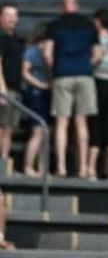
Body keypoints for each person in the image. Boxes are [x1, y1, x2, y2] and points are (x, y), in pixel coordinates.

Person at [44, 0, 101, 178]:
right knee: (82, 123)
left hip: (63, 75)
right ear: (77, 5)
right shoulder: (89, 25)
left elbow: (47, 54)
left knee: (61, 122)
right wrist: (87, 65)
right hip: (84, 75)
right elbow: (98, 54)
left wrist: (56, 69)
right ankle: (83, 168)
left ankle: (61, 167)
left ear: (62, 6)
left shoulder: (54, 26)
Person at [87, 8, 108, 181]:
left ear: (98, 22)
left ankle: (91, 169)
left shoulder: (96, 40)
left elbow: (96, 59)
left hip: (99, 82)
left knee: (95, 125)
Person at [22, 22, 51, 177]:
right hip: (34, 94)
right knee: (37, 130)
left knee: (46, 132)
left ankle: (42, 167)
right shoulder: (33, 50)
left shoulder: (52, 51)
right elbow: (25, 72)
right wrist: (40, 84)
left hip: (47, 95)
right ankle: (28, 166)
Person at [0, 2, 25, 163]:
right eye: (8, 15)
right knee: (1, 128)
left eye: (14, 15)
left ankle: (4, 160)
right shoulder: (1, 38)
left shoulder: (15, 39)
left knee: (8, 128)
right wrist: (2, 90)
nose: (12, 19)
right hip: (5, 89)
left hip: (15, 89)